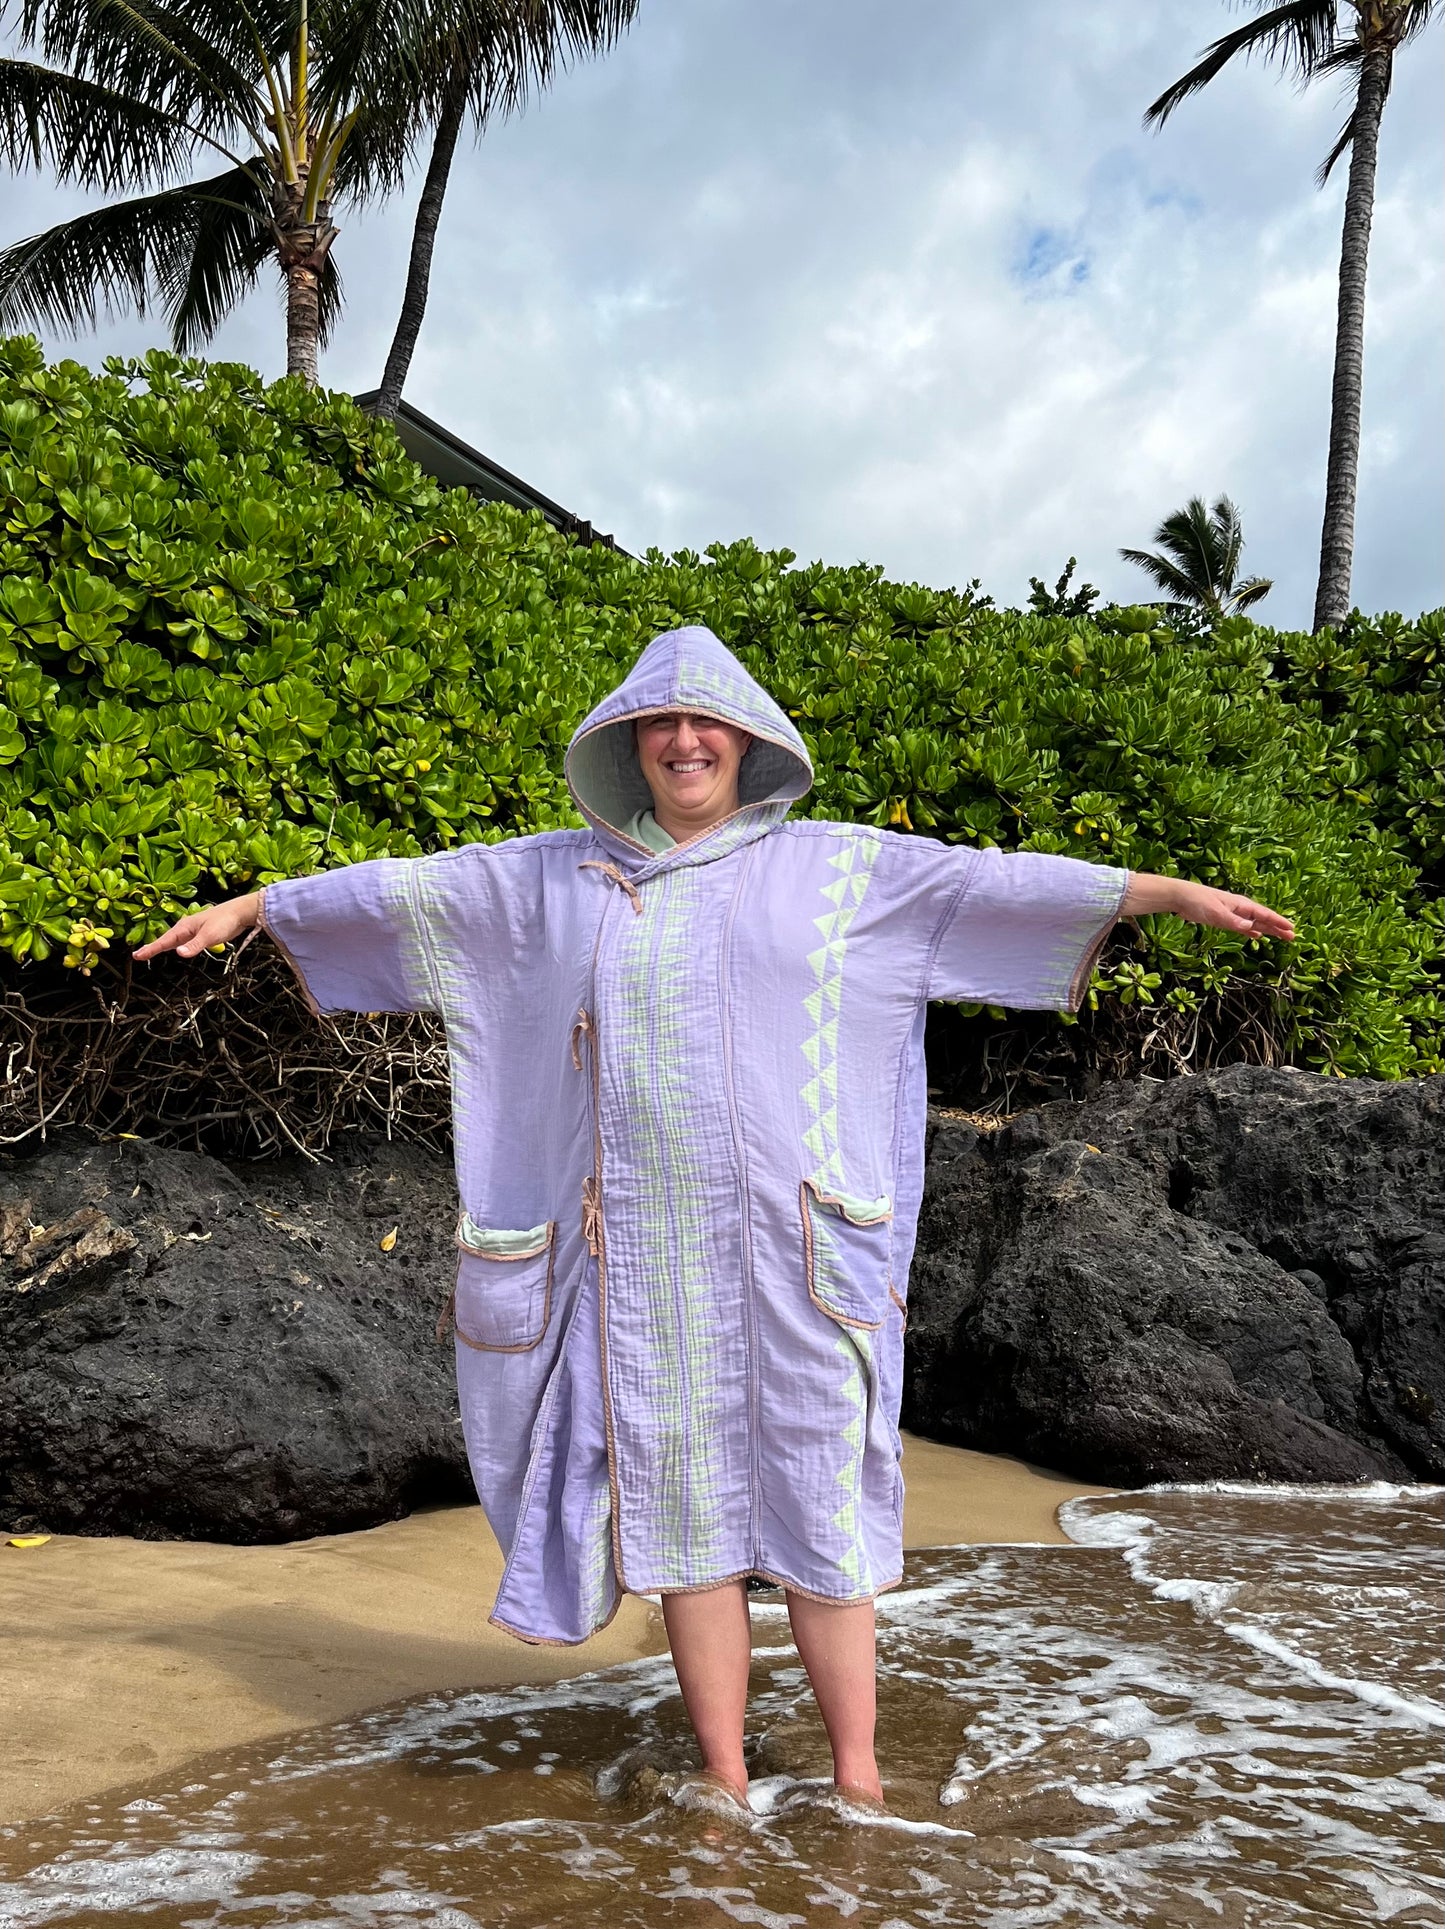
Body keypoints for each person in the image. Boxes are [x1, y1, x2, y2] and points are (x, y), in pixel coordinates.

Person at [135, 625, 1294, 1817]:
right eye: (661, 723)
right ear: (629, 745)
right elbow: (414, 891)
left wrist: (1160, 895)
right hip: (643, 1261)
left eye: (707, 724)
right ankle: (727, 1781)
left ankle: (857, 1781)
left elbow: (985, 880)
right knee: (684, 1515)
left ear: (747, 742)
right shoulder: (549, 877)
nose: (685, 741)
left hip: (802, 1254)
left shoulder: (843, 872)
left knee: (821, 1508)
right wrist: (260, 907)